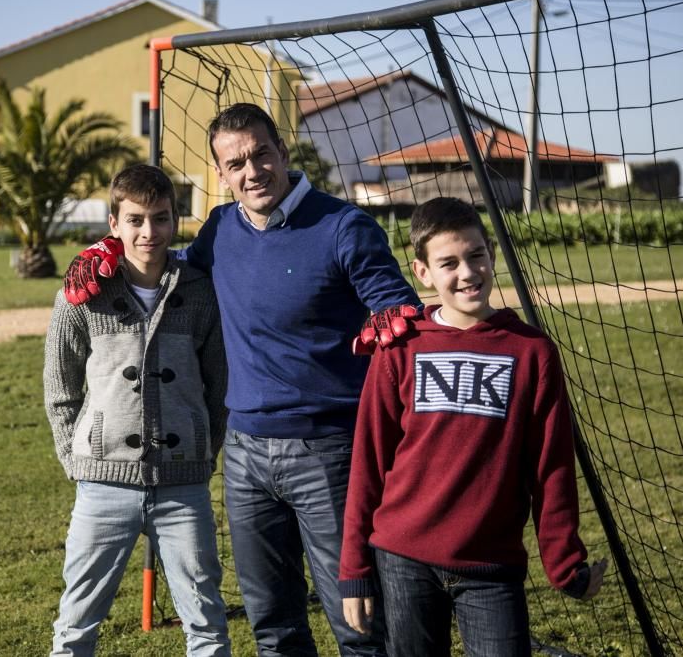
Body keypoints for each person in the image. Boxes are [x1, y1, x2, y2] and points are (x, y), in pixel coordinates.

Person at [62, 103, 421, 655]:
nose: (251, 171)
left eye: (260, 155)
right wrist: (106, 249)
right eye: (235, 164)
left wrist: (393, 321)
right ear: (222, 174)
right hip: (246, 458)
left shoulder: (344, 226)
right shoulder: (221, 228)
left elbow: (397, 311)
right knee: (272, 624)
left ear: (281, 151)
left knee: (358, 620)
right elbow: (169, 262)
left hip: (329, 452)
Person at [339, 197, 608, 656]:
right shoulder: (400, 348)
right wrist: (354, 569)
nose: (466, 273)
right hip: (404, 560)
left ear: (492, 254)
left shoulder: (531, 352)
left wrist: (564, 564)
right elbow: (369, 462)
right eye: (448, 263)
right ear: (422, 272)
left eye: (475, 255)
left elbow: (552, 466)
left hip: (491, 564)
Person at [43, 164, 231, 657]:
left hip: (183, 484)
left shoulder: (201, 291)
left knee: (207, 622)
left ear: (176, 220)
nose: (150, 232)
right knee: (76, 623)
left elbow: (220, 385)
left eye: (161, 218)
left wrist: (199, 448)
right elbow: (59, 387)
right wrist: (77, 458)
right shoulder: (84, 291)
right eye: (136, 220)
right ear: (114, 223)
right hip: (102, 484)